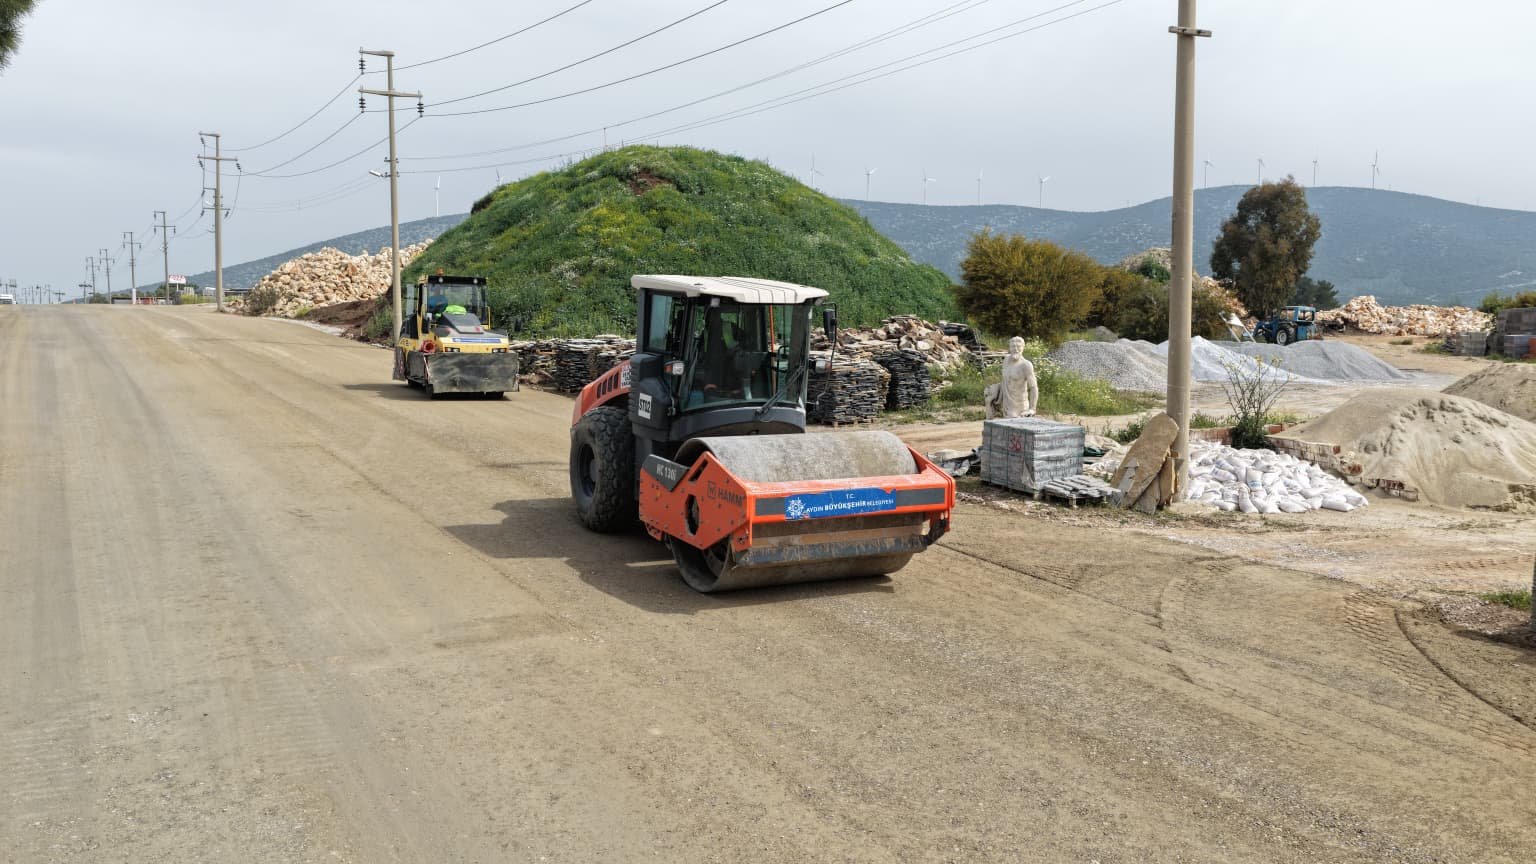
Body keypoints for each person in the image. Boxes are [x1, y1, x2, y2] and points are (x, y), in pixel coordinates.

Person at [985, 336, 1038, 418]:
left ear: (1023, 348)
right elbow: (1005, 381)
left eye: (1018, 346)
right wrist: (994, 389)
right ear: (1009, 347)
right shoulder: (1006, 360)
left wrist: (1032, 409)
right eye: (1013, 346)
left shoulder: (1026, 365)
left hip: (1019, 407)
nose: (1016, 349)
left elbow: (1034, 387)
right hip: (1006, 405)